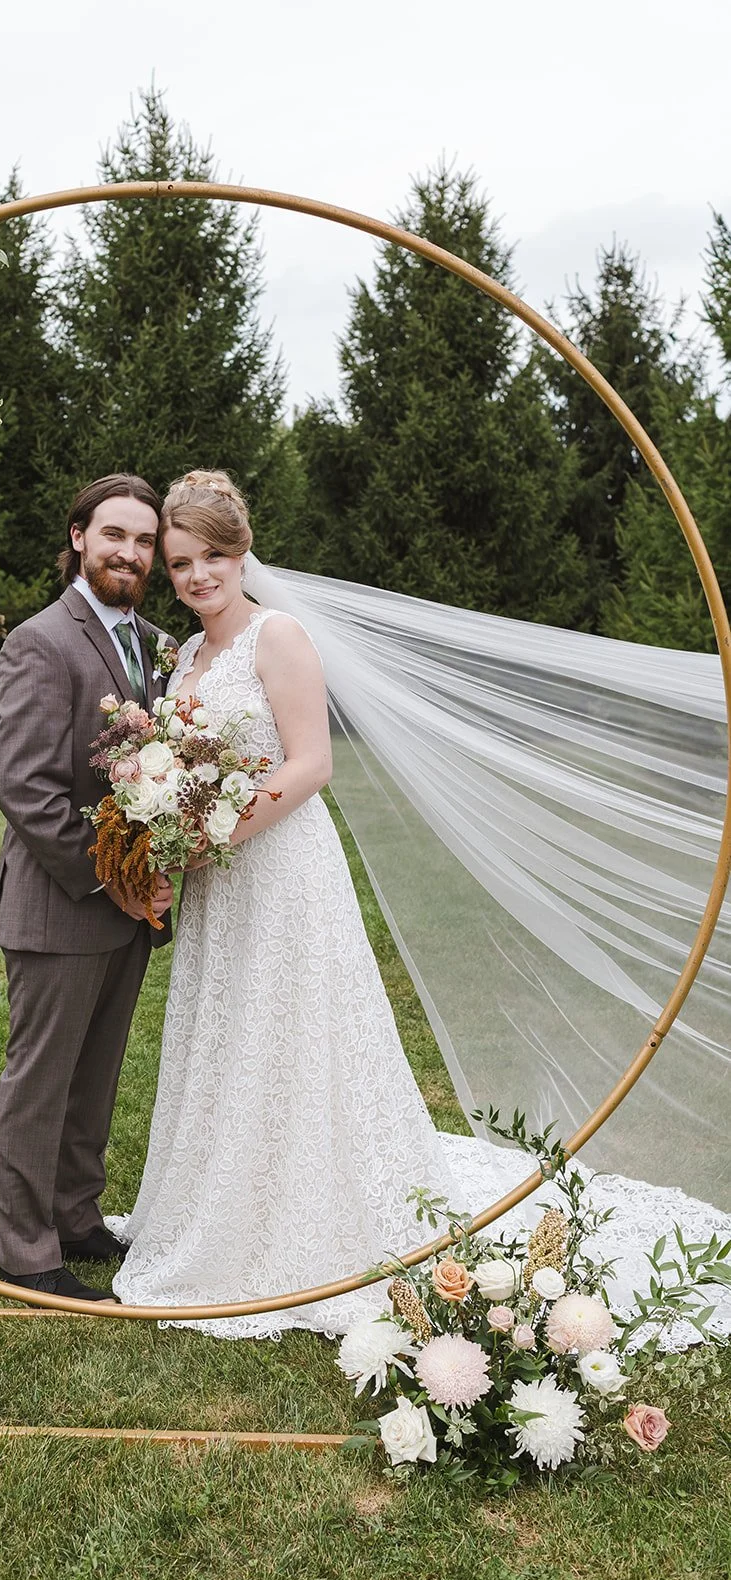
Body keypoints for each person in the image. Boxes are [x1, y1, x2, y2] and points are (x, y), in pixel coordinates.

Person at [110, 470, 731, 1340]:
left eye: (212, 556)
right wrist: (176, 827)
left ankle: (312, 1211)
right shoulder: (185, 657)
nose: (197, 576)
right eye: (180, 563)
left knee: (295, 1027)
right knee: (230, 1029)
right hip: (222, 881)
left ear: (243, 551)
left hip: (279, 867)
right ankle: (222, 1199)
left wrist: (214, 828)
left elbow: (309, 764)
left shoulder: (275, 637)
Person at [0, 473, 175, 1303]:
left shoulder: (158, 644)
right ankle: (27, 1250)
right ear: (77, 538)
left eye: (142, 541)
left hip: (126, 911)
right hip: (61, 903)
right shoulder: (40, 641)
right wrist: (114, 883)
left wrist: (150, 877)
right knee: (40, 1083)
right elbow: (24, 787)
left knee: (94, 1077)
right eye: (113, 536)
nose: (128, 553)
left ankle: (76, 1216)